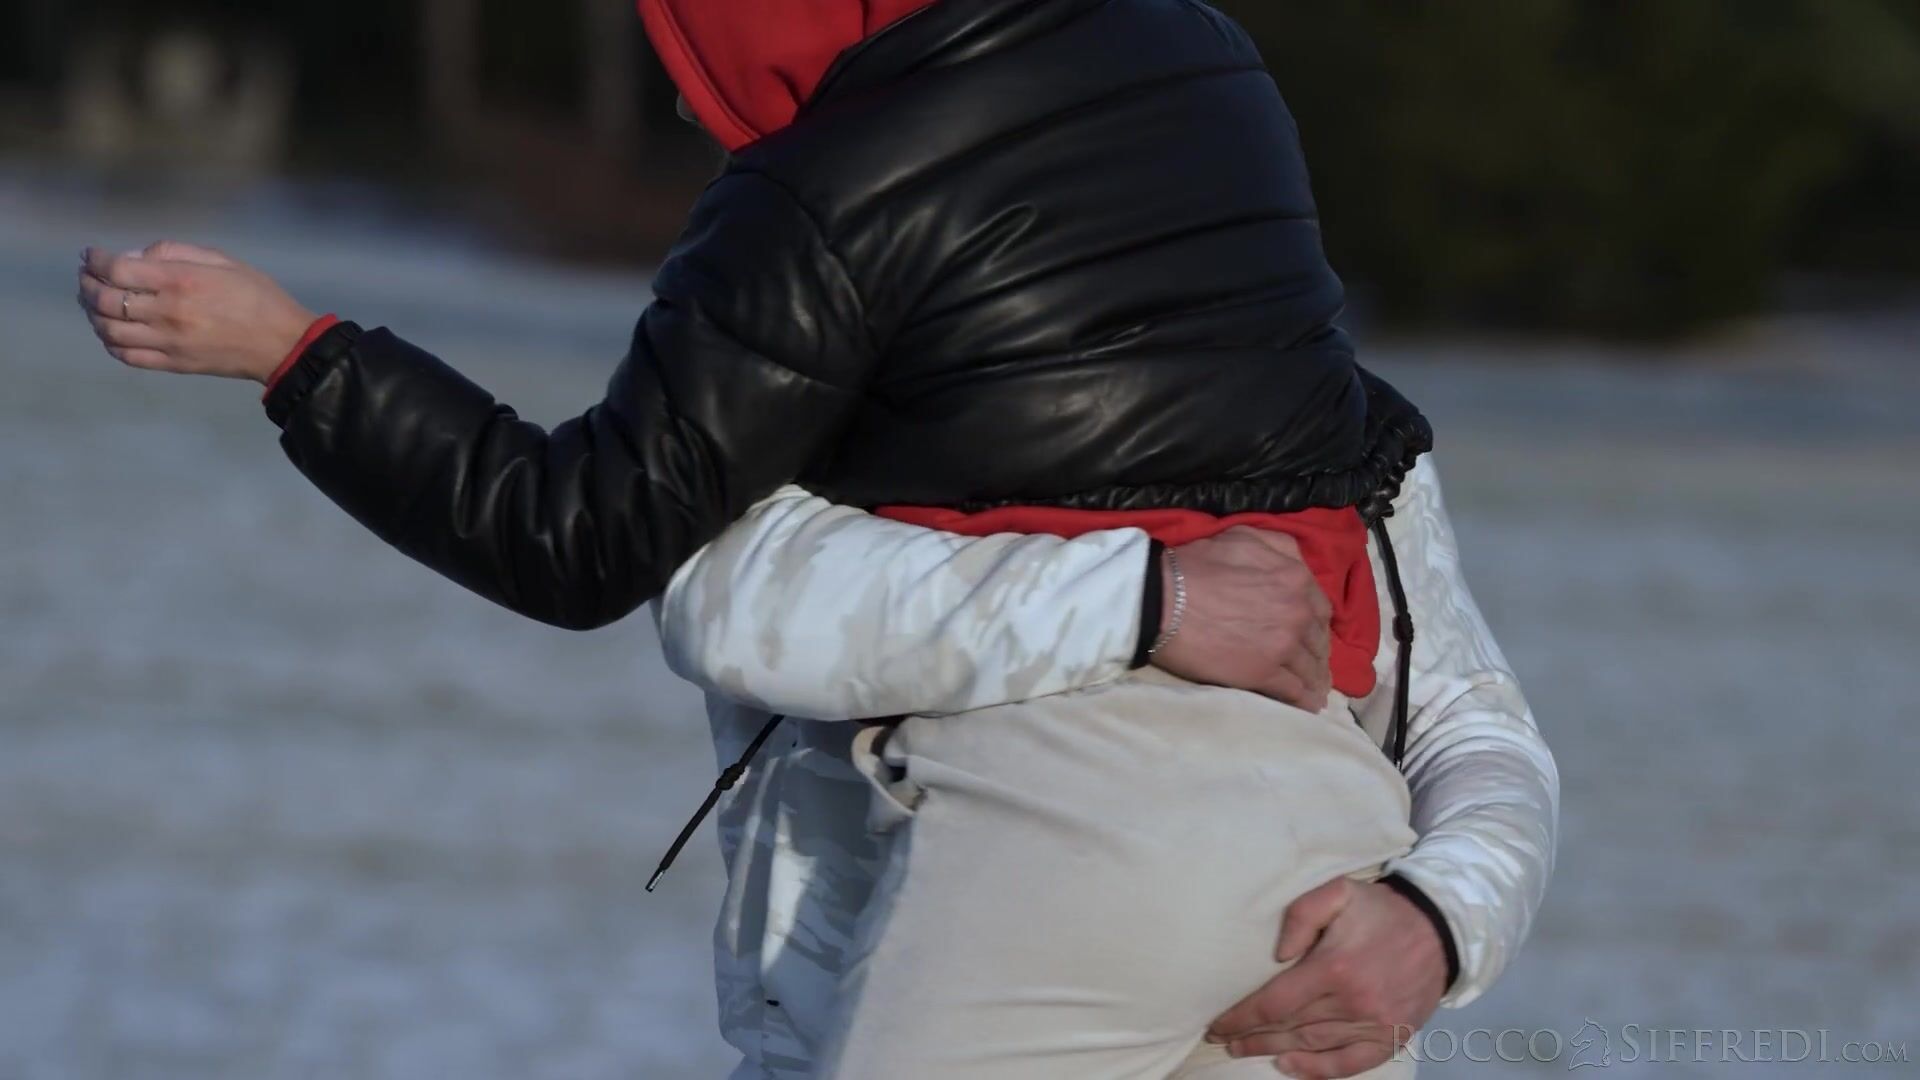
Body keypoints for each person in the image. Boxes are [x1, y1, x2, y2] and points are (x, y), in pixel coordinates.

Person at [72, 0, 1559, 1074]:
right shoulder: (1329, 424)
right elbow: (1473, 715)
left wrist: (295, 356)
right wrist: (1437, 919)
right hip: (1328, 887)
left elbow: (607, 552)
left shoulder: (826, 215)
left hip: (1049, 863)